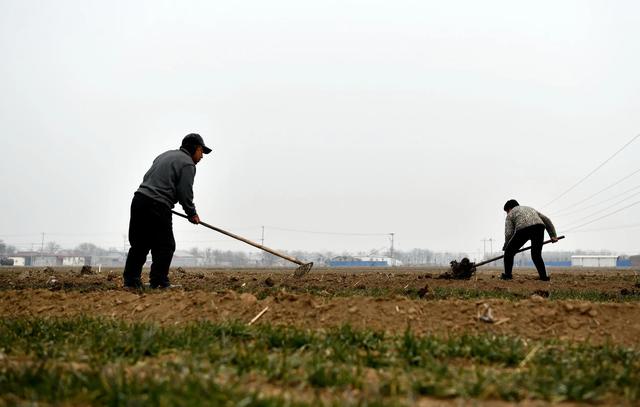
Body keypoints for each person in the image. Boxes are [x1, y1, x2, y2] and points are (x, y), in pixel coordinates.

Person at [123, 133, 212, 289]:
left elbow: (149, 177)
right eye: (201, 151)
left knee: (140, 244)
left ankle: (131, 282)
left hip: (139, 200)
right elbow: (185, 192)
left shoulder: (165, 155)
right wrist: (191, 213)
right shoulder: (187, 164)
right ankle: (158, 282)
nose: (202, 156)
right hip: (157, 204)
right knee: (165, 246)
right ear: (196, 149)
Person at [501, 199, 558, 281]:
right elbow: (547, 220)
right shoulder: (530, 209)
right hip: (539, 227)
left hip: (523, 229)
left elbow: (509, 233)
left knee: (509, 253)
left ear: (509, 209)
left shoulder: (510, 214)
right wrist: (553, 235)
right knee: (536, 254)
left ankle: (507, 275)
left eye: (506, 211)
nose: (507, 213)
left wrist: (507, 246)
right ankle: (544, 277)